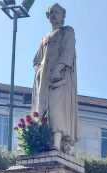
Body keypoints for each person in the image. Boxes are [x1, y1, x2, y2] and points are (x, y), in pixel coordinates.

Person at [32, 3, 78, 153]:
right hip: (43, 80)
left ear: (63, 15)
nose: (53, 15)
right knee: (42, 109)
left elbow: (68, 52)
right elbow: (36, 60)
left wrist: (58, 69)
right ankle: (42, 140)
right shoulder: (44, 38)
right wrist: (39, 72)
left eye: (57, 12)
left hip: (60, 78)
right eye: (51, 13)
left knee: (56, 108)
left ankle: (57, 143)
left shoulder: (67, 31)